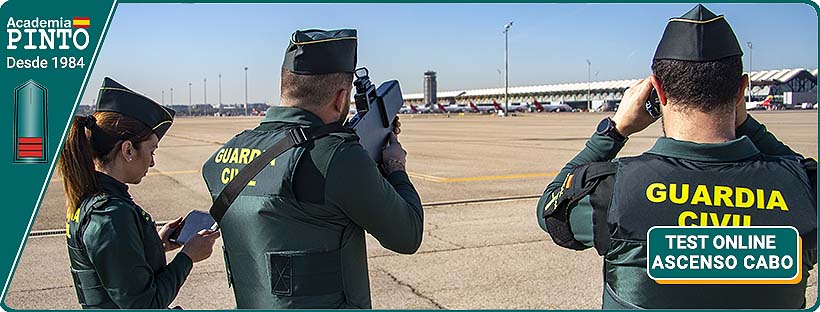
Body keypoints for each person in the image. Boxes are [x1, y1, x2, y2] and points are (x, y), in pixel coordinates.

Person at [537, 5, 817, 309]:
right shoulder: (804, 192)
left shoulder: (613, 191)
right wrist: (748, 125)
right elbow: (802, 174)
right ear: (741, 91)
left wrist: (613, 131)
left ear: (659, 91)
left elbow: (551, 208)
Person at [202, 29, 424, 309]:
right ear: (342, 98)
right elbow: (408, 234)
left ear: (285, 86)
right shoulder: (338, 155)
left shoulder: (224, 156)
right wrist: (395, 167)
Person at [61, 78, 220, 309]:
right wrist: (188, 257)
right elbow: (145, 304)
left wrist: (155, 244)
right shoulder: (110, 216)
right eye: (151, 150)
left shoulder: (92, 200)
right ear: (128, 150)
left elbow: (116, 268)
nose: (153, 162)